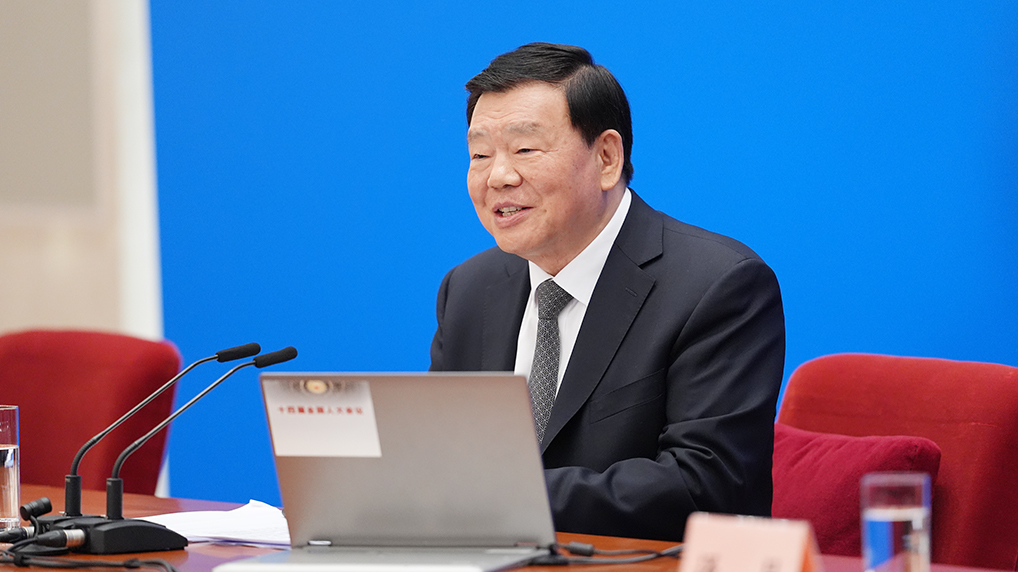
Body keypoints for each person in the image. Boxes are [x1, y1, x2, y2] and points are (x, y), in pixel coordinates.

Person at [429, 42, 784, 542]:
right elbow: (441, 461)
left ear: (607, 158)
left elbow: (705, 486)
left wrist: (500, 495)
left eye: (525, 150)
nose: (498, 177)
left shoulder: (717, 285)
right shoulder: (469, 289)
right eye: (480, 155)